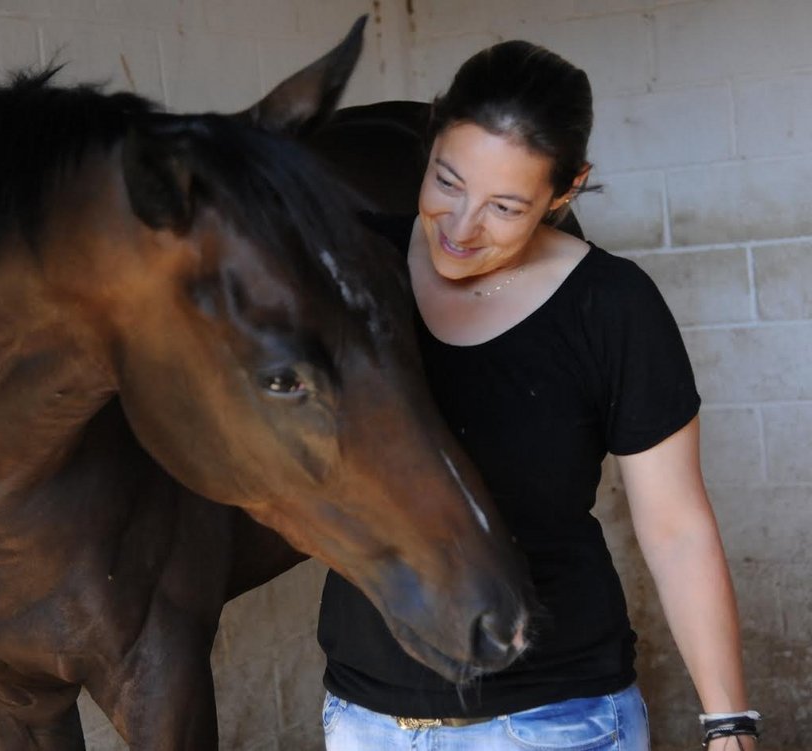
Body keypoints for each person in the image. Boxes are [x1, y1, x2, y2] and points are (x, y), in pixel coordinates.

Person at [317, 40, 759, 751]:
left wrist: (729, 723)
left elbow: (676, 527)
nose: (461, 228)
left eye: (505, 206)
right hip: (368, 719)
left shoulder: (612, 307)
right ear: (429, 134)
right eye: (447, 182)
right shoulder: (352, 271)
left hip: (558, 721)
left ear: (566, 190)